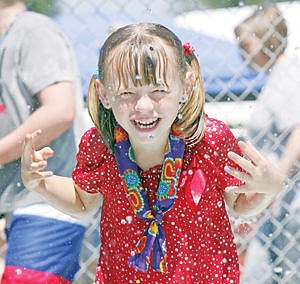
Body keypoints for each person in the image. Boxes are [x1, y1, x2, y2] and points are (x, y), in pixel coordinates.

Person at [21, 23, 284, 284]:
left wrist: (268, 188)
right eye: (127, 93)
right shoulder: (102, 146)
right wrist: (40, 183)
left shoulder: (209, 142)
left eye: (158, 90)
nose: (143, 106)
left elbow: (240, 204)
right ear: (104, 94)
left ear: (186, 85)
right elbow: (82, 202)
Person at [0, 0, 88, 283]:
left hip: (48, 194)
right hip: (11, 198)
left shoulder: (33, 31)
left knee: (24, 280)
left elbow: (58, 111)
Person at [235, 4, 300, 283]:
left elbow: (298, 129)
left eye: (246, 44)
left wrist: (277, 182)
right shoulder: (279, 75)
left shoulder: (286, 73)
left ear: (266, 41)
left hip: (287, 200)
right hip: (278, 201)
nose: (241, 52)